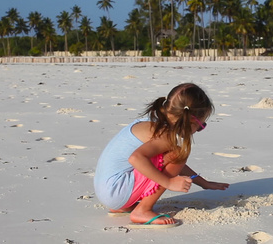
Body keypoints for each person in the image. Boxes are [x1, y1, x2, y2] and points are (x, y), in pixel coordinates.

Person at [94, 83, 229, 228]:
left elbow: (172, 163)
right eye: (201, 126)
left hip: (107, 190)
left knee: (175, 153)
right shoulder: (165, 135)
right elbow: (136, 158)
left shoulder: (151, 122)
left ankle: (124, 206)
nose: (198, 130)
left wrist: (203, 183)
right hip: (116, 191)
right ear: (190, 120)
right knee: (179, 152)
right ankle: (143, 210)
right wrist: (169, 182)